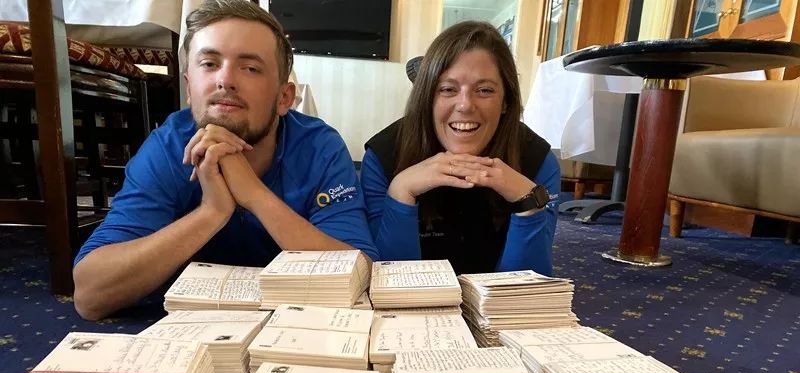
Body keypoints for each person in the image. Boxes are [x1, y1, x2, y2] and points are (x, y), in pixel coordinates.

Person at [72, 0, 377, 320]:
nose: (225, 80)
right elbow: (91, 295)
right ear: (190, 89)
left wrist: (254, 195)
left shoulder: (319, 147)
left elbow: (361, 274)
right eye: (208, 63)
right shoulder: (167, 147)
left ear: (284, 98)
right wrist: (212, 212)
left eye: (250, 68)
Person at [361, 21, 560, 276]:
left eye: (485, 90)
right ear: (427, 98)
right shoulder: (384, 155)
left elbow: (527, 291)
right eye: (447, 89)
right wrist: (401, 190)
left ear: (505, 102)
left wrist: (528, 203)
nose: (465, 105)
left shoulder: (538, 160)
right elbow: (387, 281)